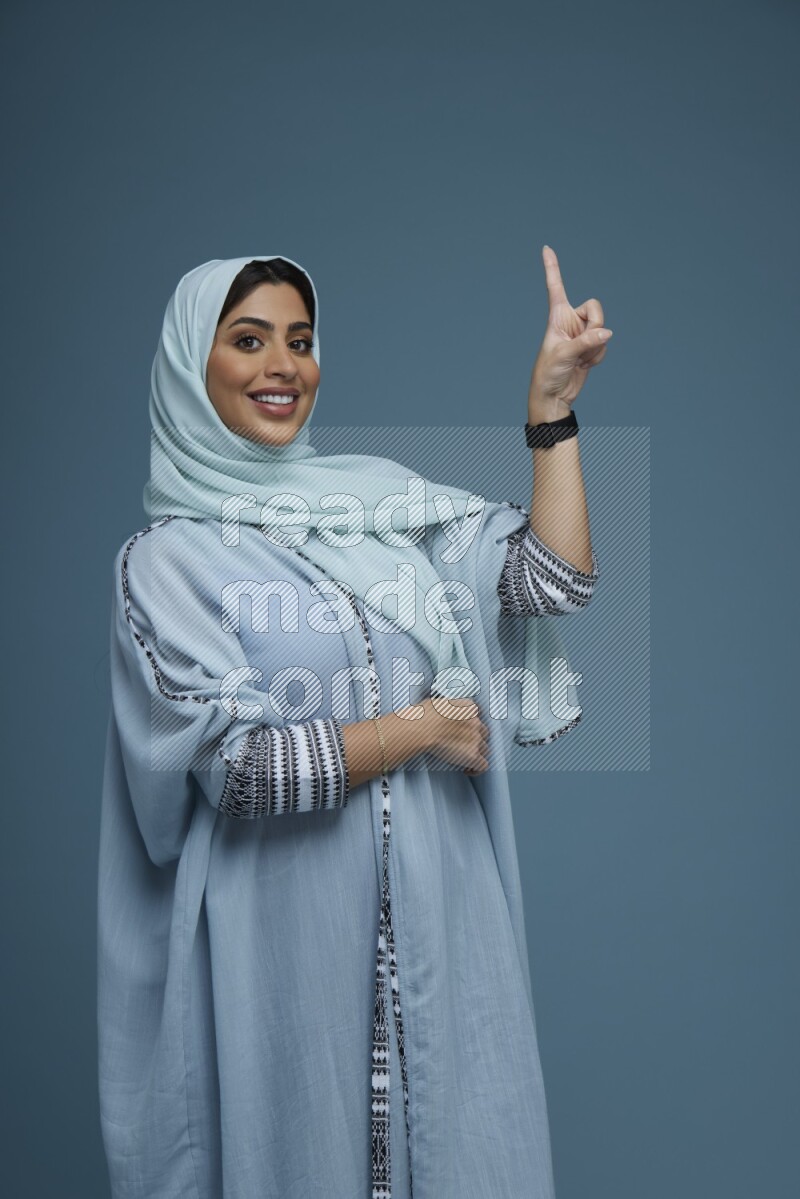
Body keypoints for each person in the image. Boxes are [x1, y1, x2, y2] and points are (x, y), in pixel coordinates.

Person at [97, 247, 607, 1199]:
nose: (281, 365)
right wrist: (422, 730)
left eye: (300, 340)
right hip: (287, 961)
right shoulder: (166, 564)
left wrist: (552, 412)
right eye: (247, 341)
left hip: (444, 941)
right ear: (189, 365)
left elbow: (553, 581)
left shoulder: (379, 513)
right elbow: (243, 772)